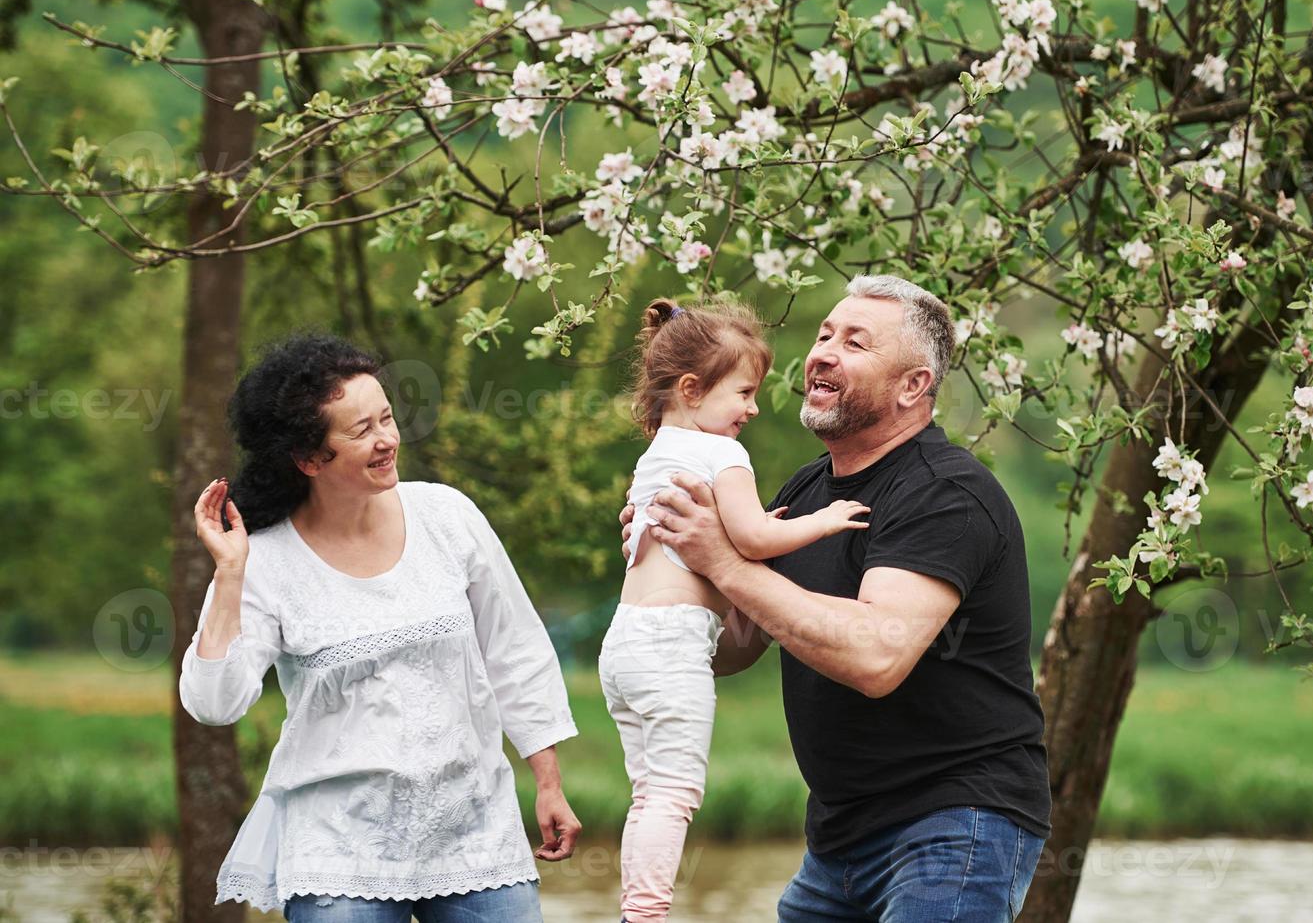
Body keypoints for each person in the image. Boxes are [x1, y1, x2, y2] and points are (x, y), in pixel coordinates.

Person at [622, 275, 1052, 922]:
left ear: (913, 386)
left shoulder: (946, 493)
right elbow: (736, 644)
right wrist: (675, 576)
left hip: (955, 821)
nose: (821, 353)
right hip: (837, 836)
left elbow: (874, 658)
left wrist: (723, 562)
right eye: (824, 335)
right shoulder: (806, 490)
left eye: (854, 343)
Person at [179, 333, 581, 923]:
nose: (387, 439)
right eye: (361, 430)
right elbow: (216, 704)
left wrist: (547, 781)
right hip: (339, 851)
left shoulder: (447, 515)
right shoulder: (263, 560)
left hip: (473, 833)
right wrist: (232, 573)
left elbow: (515, 651)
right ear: (310, 458)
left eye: (387, 418)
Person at [602, 297, 870, 923]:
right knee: (674, 794)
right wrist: (821, 521)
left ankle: (634, 910)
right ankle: (644, 916)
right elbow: (749, 541)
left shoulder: (656, 454)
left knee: (649, 794)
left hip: (624, 645)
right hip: (673, 648)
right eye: (744, 393)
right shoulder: (723, 455)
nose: (752, 408)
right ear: (693, 390)